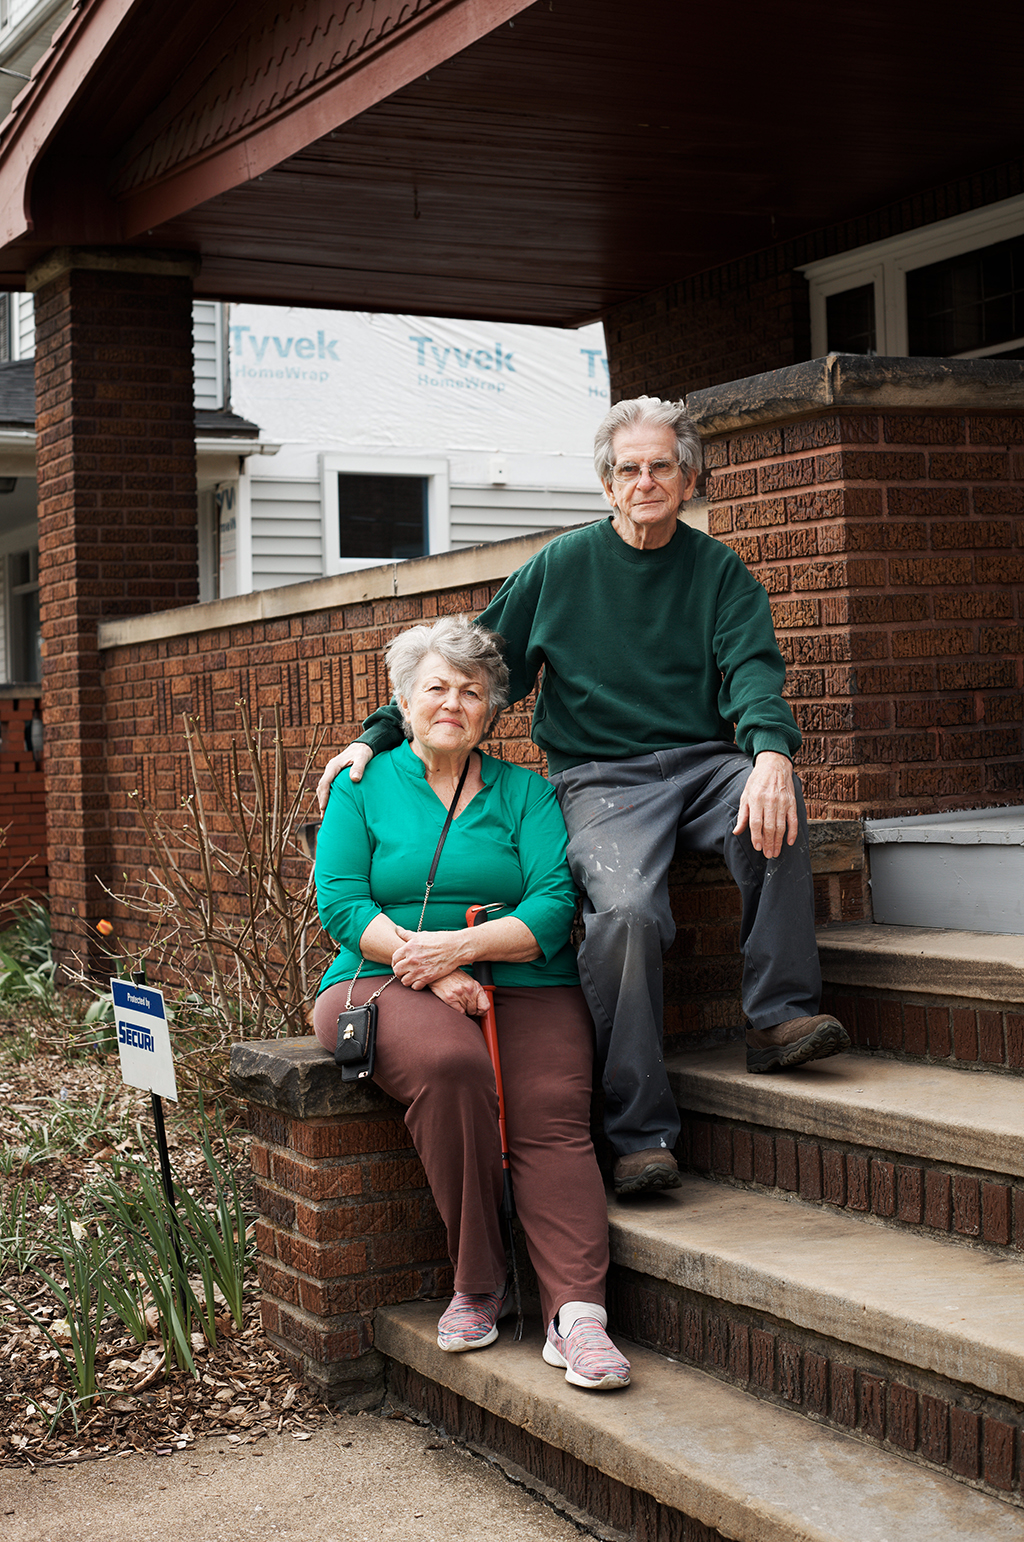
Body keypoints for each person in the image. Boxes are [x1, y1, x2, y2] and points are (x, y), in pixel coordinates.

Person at [317, 397, 849, 1198]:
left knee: (775, 804)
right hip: (602, 779)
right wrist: (376, 734)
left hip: (707, 765)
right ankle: (641, 1132)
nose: (645, 481)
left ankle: (779, 1015)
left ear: (689, 477)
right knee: (626, 915)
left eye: (661, 466)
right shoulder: (561, 567)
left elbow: (753, 674)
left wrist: (770, 754)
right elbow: (475, 664)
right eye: (628, 468)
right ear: (606, 484)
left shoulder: (720, 573)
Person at [312, 616, 630, 1391]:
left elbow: (554, 903)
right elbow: (342, 902)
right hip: (378, 976)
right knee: (453, 1066)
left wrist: (462, 953)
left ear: (491, 709)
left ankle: (578, 1317)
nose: (452, 702)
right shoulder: (362, 787)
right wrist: (426, 966)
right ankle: (479, 1283)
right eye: (436, 688)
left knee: (550, 1112)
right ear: (404, 701)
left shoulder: (527, 794)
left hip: (520, 979)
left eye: (471, 691)